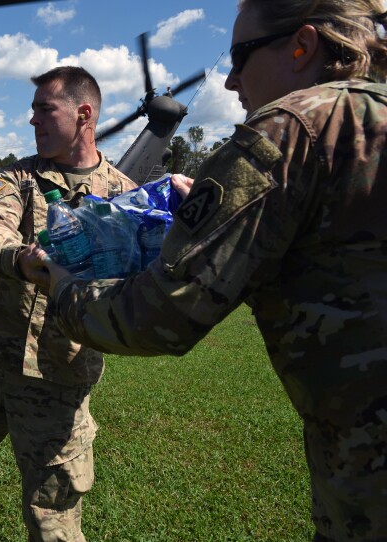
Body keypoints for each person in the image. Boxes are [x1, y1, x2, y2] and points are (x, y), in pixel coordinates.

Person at [24, 2, 387, 541]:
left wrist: (62, 283)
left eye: (240, 56)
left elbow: (160, 316)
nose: (231, 78)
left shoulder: (288, 130)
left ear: (302, 46)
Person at [0, 66, 137, 542]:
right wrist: (17, 258)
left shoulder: (125, 197)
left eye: (44, 109)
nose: (32, 119)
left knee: (53, 502)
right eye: (33, 109)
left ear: (84, 113)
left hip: (61, 371)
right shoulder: (18, 178)